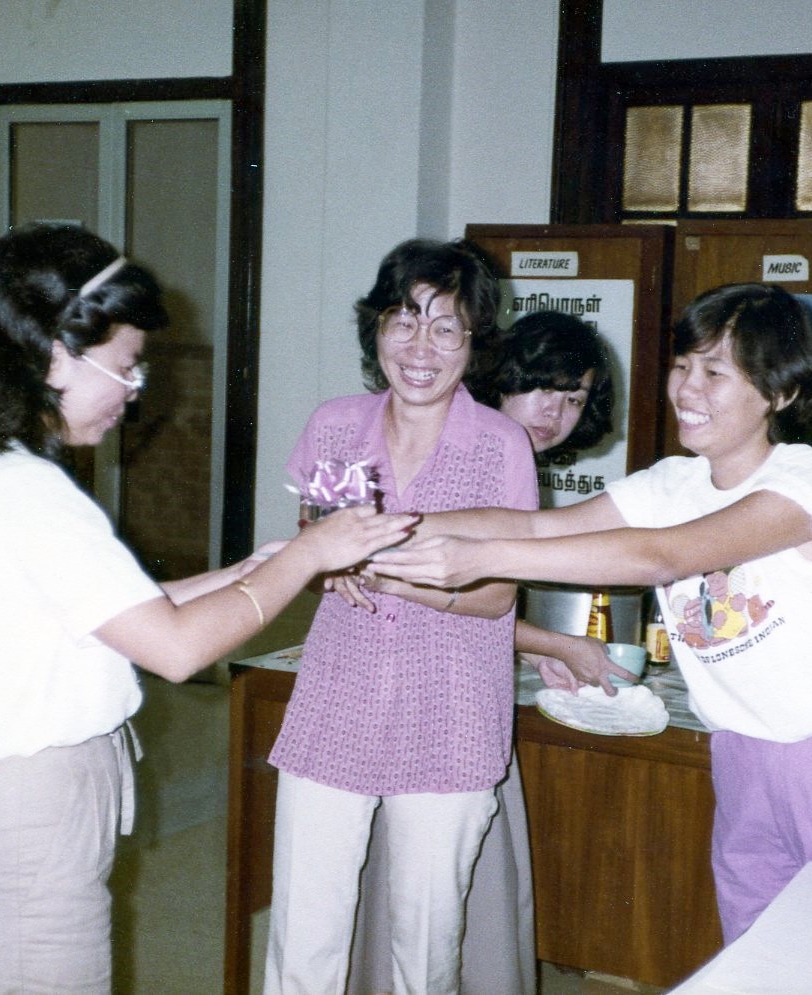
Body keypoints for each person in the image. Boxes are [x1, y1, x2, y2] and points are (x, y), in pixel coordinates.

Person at [0, 222, 414, 994]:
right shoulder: (21, 489)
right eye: (126, 368)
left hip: (3, 827)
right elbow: (172, 647)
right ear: (51, 350)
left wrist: (249, 571)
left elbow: (118, 612)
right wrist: (308, 553)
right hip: (22, 844)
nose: (134, 394)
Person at [371, 282, 812, 943]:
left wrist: (474, 558)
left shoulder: (805, 481)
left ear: (782, 393)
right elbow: (542, 530)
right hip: (743, 758)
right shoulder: (670, 483)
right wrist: (390, 526)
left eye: (715, 371)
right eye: (683, 366)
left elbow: (659, 556)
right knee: (761, 963)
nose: (686, 388)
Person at [262, 238, 538, 995]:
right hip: (336, 698)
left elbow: (497, 596)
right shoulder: (333, 425)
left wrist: (383, 573)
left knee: (426, 943)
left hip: (450, 711)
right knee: (303, 933)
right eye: (403, 320)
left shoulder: (501, 445)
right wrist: (324, 560)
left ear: (473, 342)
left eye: (446, 326)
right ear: (375, 329)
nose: (421, 346)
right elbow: (311, 538)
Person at [349, 308, 627, 995]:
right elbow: (424, 582)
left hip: (465, 687)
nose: (555, 411)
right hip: (412, 692)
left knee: (467, 880)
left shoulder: (512, 459)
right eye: (543, 387)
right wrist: (550, 641)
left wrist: (531, 648)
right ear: (503, 375)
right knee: (424, 885)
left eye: (574, 397)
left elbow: (478, 595)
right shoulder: (463, 448)